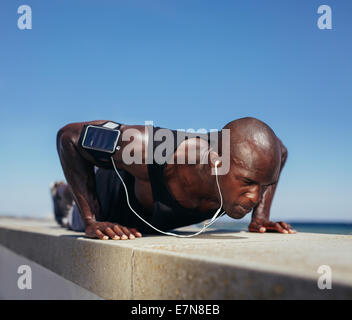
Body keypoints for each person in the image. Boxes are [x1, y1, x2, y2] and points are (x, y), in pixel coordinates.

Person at [52, 117, 295, 240]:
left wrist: (260, 218)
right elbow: (69, 137)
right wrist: (91, 220)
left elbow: (280, 151)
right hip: (102, 200)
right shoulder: (150, 150)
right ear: (216, 163)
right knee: (68, 207)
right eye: (248, 183)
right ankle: (61, 191)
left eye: (263, 185)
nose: (255, 196)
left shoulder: (245, 165)